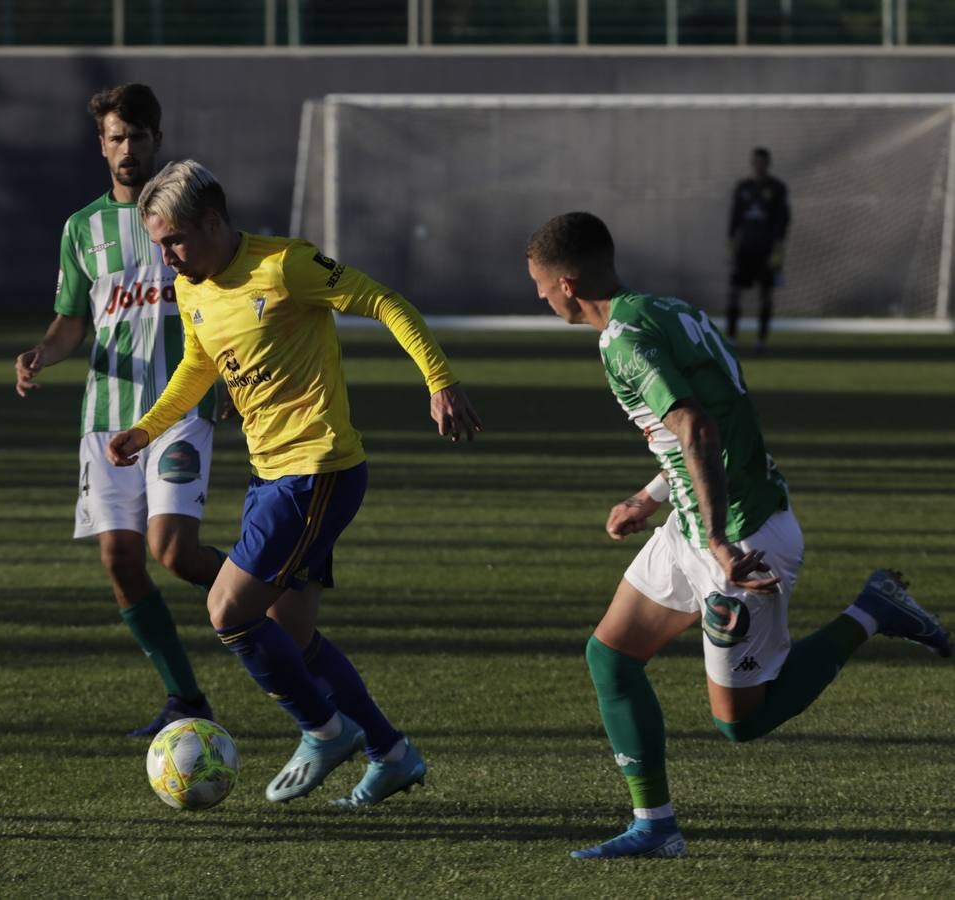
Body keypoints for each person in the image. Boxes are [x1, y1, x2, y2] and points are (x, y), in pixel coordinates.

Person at [525, 211, 950, 860]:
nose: (538, 296)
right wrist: (649, 496)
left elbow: (697, 429)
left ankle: (871, 610)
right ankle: (656, 825)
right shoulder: (669, 310)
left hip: (741, 539)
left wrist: (720, 542)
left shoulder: (622, 340)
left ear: (567, 282)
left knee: (740, 723)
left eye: (539, 284)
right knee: (610, 657)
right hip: (697, 524)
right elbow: (702, 429)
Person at [106, 159, 483, 807]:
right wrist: (146, 429)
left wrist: (439, 380)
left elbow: (383, 302)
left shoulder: (285, 266)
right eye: (158, 243)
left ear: (213, 221)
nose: (165, 256)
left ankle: (323, 730)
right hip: (272, 473)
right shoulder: (195, 286)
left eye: (172, 239)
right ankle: (390, 753)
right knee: (294, 636)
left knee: (228, 612)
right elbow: (201, 364)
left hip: (317, 470)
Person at [14, 85, 228, 738]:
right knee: (120, 561)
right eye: (116, 137)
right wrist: (40, 355)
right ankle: (186, 699)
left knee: (175, 552)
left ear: (156, 141)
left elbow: (226, 292)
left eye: (138, 136)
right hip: (106, 419)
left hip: (181, 408)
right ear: (101, 144)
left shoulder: (189, 211)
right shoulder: (82, 228)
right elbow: (72, 323)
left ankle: (274, 592)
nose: (127, 149)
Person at [727, 147, 790, 353]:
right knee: (734, 292)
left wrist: (778, 249)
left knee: (766, 294)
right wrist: (731, 244)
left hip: (766, 250)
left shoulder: (777, 188)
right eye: (756, 162)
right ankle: (731, 337)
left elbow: (783, 220)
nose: (759, 166)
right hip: (745, 249)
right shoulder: (743, 187)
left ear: (768, 164)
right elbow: (734, 219)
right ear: (752, 163)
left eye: (763, 162)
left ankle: (761, 340)